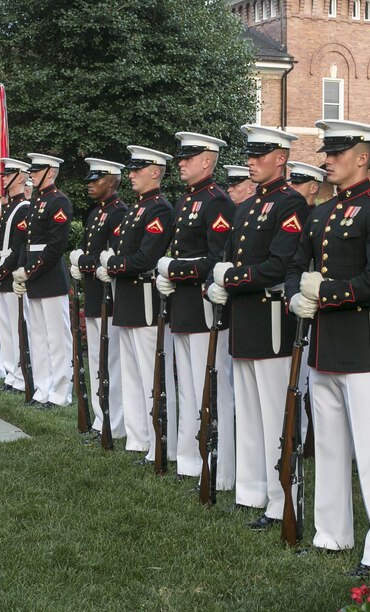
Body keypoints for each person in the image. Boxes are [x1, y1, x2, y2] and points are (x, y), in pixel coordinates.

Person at [286, 119, 370, 577]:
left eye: (337, 152)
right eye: (326, 152)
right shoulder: (320, 213)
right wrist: (295, 292)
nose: (327, 159)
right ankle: (331, 534)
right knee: (330, 446)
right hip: (324, 345)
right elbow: (298, 266)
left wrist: (326, 291)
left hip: (364, 344)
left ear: (363, 157)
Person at [208, 124, 307, 531]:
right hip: (246, 319)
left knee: (274, 416)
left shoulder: (290, 204)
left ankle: (282, 498)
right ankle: (252, 491)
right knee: (249, 412)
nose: (251, 161)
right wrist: (222, 278)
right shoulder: (247, 207)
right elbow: (232, 256)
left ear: (280, 158)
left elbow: (278, 268)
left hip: (270, 320)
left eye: (259, 155)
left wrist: (228, 279)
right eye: (249, 154)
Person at [156, 132, 235, 488]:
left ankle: (216, 462)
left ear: (207, 160)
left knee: (209, 388)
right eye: (180, 158)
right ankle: (190, 458)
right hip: (184, 305)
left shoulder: (216, 202)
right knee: (187, 386)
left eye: (188, 158)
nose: (181, 163)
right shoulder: (188, 200)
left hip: (203, 305)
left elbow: (219, 258)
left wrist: (175, 270)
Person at [99, 146, 175, 461]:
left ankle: (159, 442)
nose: (130, 174)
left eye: (137, 169)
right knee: (132, 374)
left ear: (155, 171)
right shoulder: (137, 208)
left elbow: (147, 258)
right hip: (129, 299)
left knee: (150, 375)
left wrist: (112, 264)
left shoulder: (159, 209)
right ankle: (137, 438)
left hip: (144, 300)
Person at [72, 158, 128, 439]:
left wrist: (84, 262)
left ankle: (114, 422)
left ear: (113, 182)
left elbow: (112, 256)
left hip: (110, 296)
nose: (90, 185)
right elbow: (88, 251)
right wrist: (81, 260)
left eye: (97, 180)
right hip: (94, 294)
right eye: (90, 180)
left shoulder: (119, 213)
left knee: (111, 361)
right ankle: (99, 417)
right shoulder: (95, 213)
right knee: (95, 359)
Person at [15, 153, 75, 408]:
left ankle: (61, 392)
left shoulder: (59, 202)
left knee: (57, 338)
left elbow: (56, 246)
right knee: (38, 336)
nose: (33, 174)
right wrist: (22, 269)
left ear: (50, 172)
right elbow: (28, 244)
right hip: (35, 276)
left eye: (38, 170)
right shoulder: (38, 202)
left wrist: (30, 271)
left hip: (49, 277)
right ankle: (43, 388)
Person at [0, 159, 31, 394]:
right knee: (5, 327)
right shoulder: (10, 208)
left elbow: (18, 248)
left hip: (9, 272)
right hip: (2, 271)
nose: (3, 178)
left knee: (15, 328)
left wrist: (1, 272)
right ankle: (11, 374)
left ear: (21, 177)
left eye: (9, 174)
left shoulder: (23, 208)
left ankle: (21, 375)